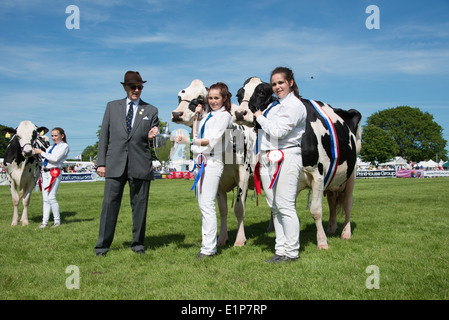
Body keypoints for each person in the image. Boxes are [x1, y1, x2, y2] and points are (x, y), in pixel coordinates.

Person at [94, 71, 159, 256]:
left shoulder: (151, 110)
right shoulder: (112, 107)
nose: (136, 90)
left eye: (139, 87)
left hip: (140, 164)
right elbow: (103, 138)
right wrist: (101, 163)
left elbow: (153, 140)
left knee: (140, 206)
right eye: (133, 87)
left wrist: (152, 137)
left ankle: (138, 244)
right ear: (125, 87)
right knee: (109, 205)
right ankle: (102, 246)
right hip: (114, 164)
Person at [253, 67, 307, 263]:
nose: (277, 87)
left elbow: (278, 132)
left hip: (287, 155)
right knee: (275, 206)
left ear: (290, 82)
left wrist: (259, 117)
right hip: (268, 156)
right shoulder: (274, 106)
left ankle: (292, 253)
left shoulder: (294, 105)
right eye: (274, 84)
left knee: (285, 206)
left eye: (281, 83)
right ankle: (280, 249)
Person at [176, 82, 233, 259]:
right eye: (211, 98)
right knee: (203, 205)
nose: (213, 101)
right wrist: (198, 116)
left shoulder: (224, 117)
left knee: (207, 205)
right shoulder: (208, 115)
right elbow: (198, 134)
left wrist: (188, 141)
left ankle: (209, 249)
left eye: (217, 98)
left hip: (212, 161)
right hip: (201, 161)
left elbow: (210, 141)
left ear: (224, 99)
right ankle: (206, 244)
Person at [34, 127, 70, 228]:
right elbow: (45, 159)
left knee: (51, 197)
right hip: (45, 172)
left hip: (54, 172)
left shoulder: (64, 146)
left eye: (56, 135)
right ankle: (44, 222)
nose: (54, 138)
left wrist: (40, 152)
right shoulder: (50, 147)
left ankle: (57, 221)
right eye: (52, 136)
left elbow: (55, 159)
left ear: (62, 136)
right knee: (45, 198)